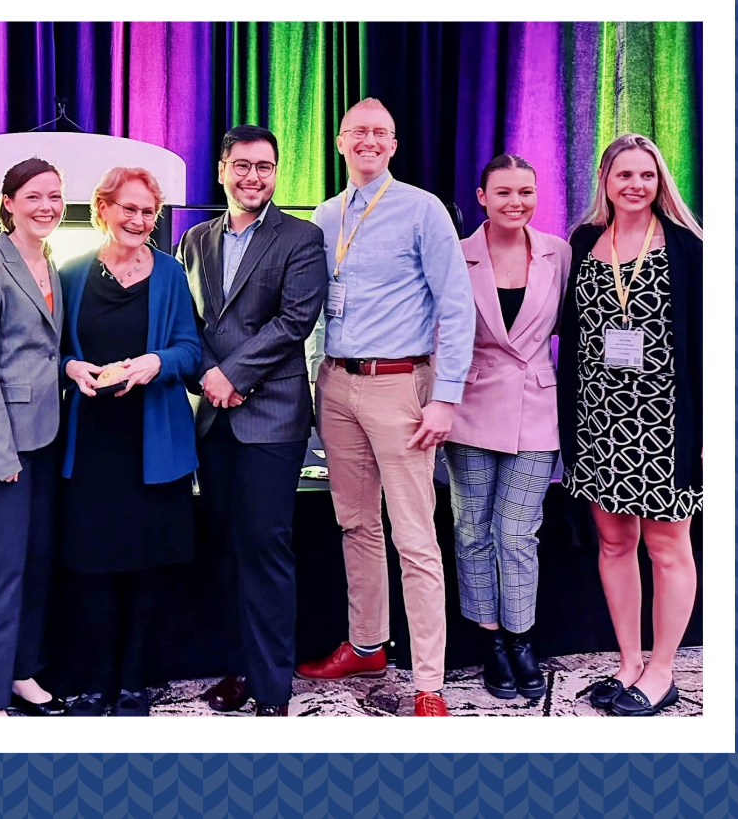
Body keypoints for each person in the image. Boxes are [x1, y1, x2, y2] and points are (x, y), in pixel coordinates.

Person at [297, 98, 474, 717]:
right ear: (340, 142)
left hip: (401, 385)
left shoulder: (422, 209)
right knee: (354, 523)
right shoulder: (324, 215)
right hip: (338, 385)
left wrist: (446, 397)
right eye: (358, 132)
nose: (369, 140)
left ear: (393, 144)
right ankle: (367, 643)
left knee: (415, 535)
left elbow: (456, 307)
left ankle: (430, 681)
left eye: (381, 132)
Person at [177, 125, 327, 717]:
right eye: (242, 166)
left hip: (272, 417)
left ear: (275, 173)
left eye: (265, 167)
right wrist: (211, 376)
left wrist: (232, 377)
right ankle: (239, 670)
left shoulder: (302, 237)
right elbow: (187, 320)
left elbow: (294, 323)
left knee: (266, 549)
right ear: (222, 170)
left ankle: (273, 688)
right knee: (227, 550)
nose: (253, 177)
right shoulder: (194, 239)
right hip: (214, 418)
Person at [558, 134, 703, 717]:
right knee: (614, 543)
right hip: (598, 418)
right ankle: (629, 662)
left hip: (666, 420)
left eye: (646, 175)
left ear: (660, 180)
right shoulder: (586, 241)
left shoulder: (689, 248)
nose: (635, 185)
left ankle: (663, 669)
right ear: (605, 180)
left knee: (667, 548)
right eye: (624, 175)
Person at [58, 166, 201, 716]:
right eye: (129, 209)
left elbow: (191, 353)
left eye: (149, 212)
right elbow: (48, 351)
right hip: (91, 445)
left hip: (154, 445)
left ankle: (135, 683)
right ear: (103, 210)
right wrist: (72, 366)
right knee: (92, 570)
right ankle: (96, 683)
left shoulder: (169, 274)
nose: (139, 220)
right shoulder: (69, 272)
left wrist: (153, 363)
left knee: (146, 570)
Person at [443, 154, 571, 700]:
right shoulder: (457, 254)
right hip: (470, 408)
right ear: (481, 197)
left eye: (526, 192)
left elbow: (580, 324)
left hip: (537, 410)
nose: (515, 202)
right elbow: (441, 331)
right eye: (503, 193)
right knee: (472, 533)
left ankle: (521, 638)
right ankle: (490, 640)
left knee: (516, 533)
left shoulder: (559, 253)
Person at [0, 158, 67, 718]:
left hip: (46, 438)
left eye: (54, 196)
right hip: (0, 447)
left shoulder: (50, 260)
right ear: (8, 204)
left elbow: (47, 351)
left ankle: (22, 671)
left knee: (38, 559)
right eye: (33, 197)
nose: (46, 207)